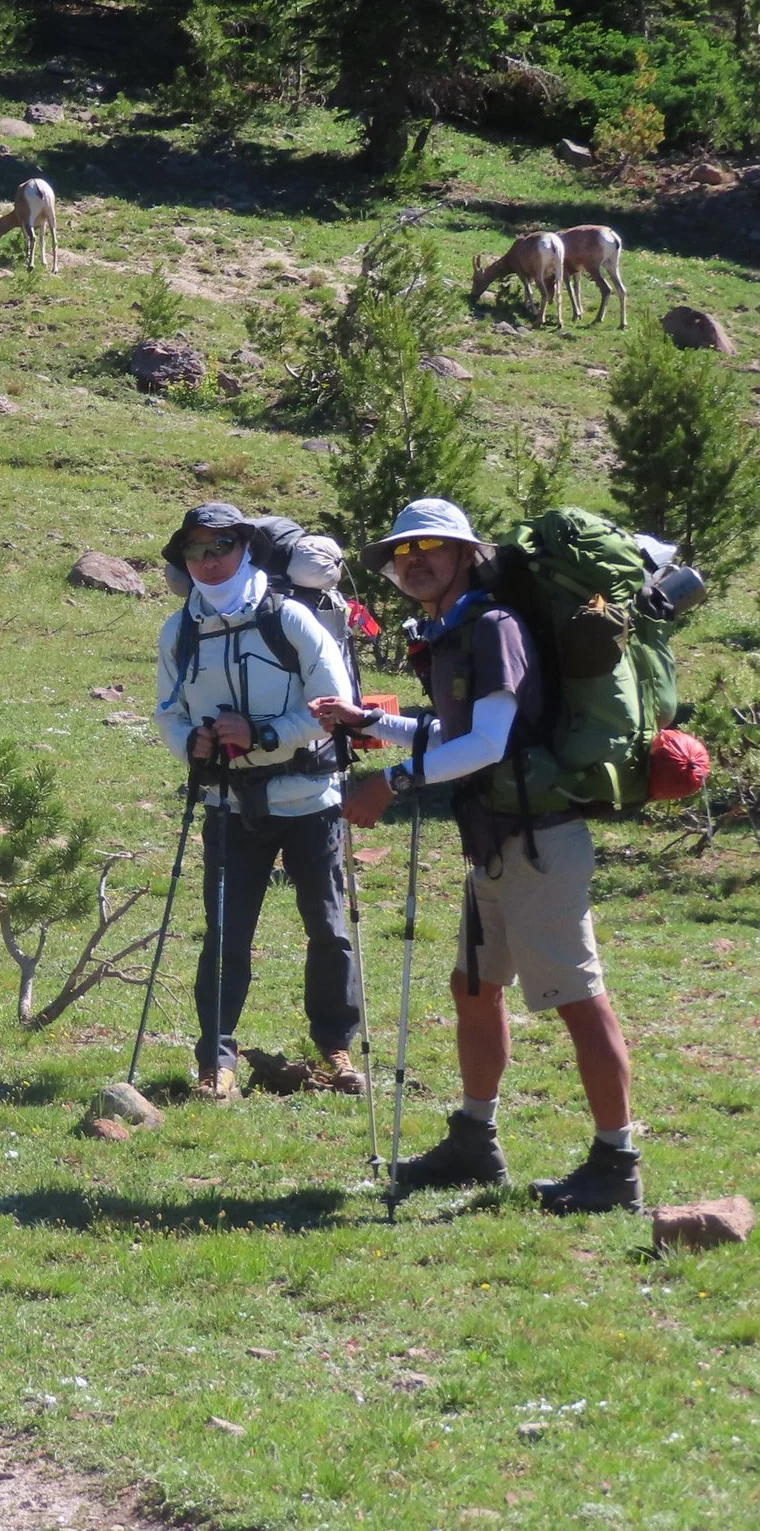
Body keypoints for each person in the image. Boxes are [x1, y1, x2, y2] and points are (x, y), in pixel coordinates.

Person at [312, 499, 642, 1214]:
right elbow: (454, 728)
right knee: (474, 988)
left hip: (539, 842)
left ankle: (617, 1163)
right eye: (402, 551)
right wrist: (371, 721)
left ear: (467, 553)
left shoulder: (494, 627)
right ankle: (474, 1139)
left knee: (582, 1004)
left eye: (431, 546)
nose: (413, 560)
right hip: (495, 839)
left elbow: (488, 744)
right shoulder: (454, 629)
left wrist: (392, 782)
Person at [153, 502, 363, 1102]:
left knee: (327, 928)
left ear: (245, 548)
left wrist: (266, 735)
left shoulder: (289, 617)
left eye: (220, 547)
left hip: (309, 798)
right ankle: (216, 1061)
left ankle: (335, 1049)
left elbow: (335, 704)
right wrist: (188, 743)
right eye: (195, 550)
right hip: (227, 801)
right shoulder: (180, 630)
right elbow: (167, 712)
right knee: (226, 933)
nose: (209, 561)